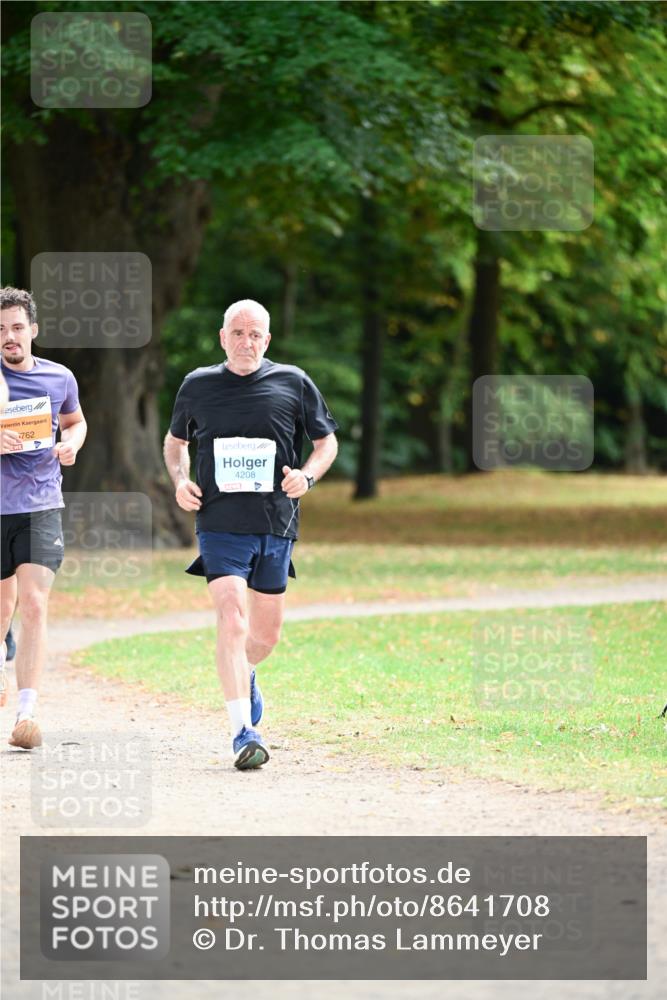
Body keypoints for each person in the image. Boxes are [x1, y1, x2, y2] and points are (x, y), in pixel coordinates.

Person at [164, 299, 338, 770]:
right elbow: (176, 442)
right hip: (219, 523)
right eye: (237, 333)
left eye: (255, 334)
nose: (246, 341)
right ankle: (244, 731)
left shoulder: (293, 381)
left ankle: (249, 669)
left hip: (276, 523)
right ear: (223, 337)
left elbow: (326, 443)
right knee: (231, 619)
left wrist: (308, 476)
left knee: (263, 636)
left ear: (267, 339)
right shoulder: (197, 385)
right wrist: (181, 481)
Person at [0, 287, 87, 749]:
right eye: (0, 330)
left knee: (33, 602)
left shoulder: (59, 378)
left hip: (39, 504)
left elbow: (75, 421)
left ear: (33, 330)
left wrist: (71, 443)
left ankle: (26, 713)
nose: (9, 337)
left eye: (16, 328)